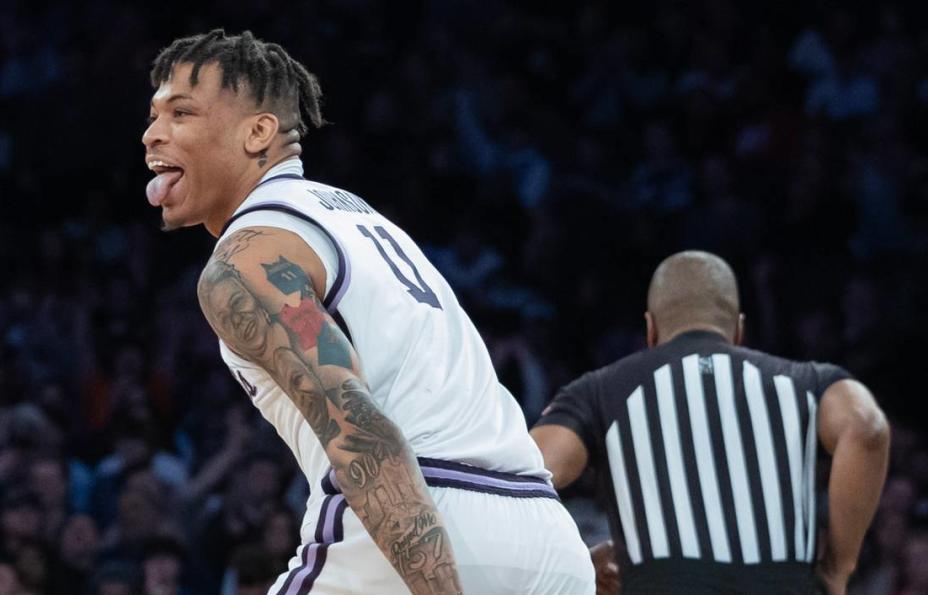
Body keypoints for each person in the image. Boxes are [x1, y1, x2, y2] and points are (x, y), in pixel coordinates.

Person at [141, 29, 593, 595]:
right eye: (154, 114)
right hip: (544, 533)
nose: (152, 134)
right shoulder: (358, 217)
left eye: (180, 113)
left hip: (417, 523)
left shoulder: (245, 261)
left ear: (257, 132)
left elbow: (363, 426)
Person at [531, 251, 890, 594]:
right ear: (738, 330)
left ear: (651, 329)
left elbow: (520, 475)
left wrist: (575, 563)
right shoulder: (805, 382)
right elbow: (867, 429)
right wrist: (837, 567)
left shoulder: (599, 391)